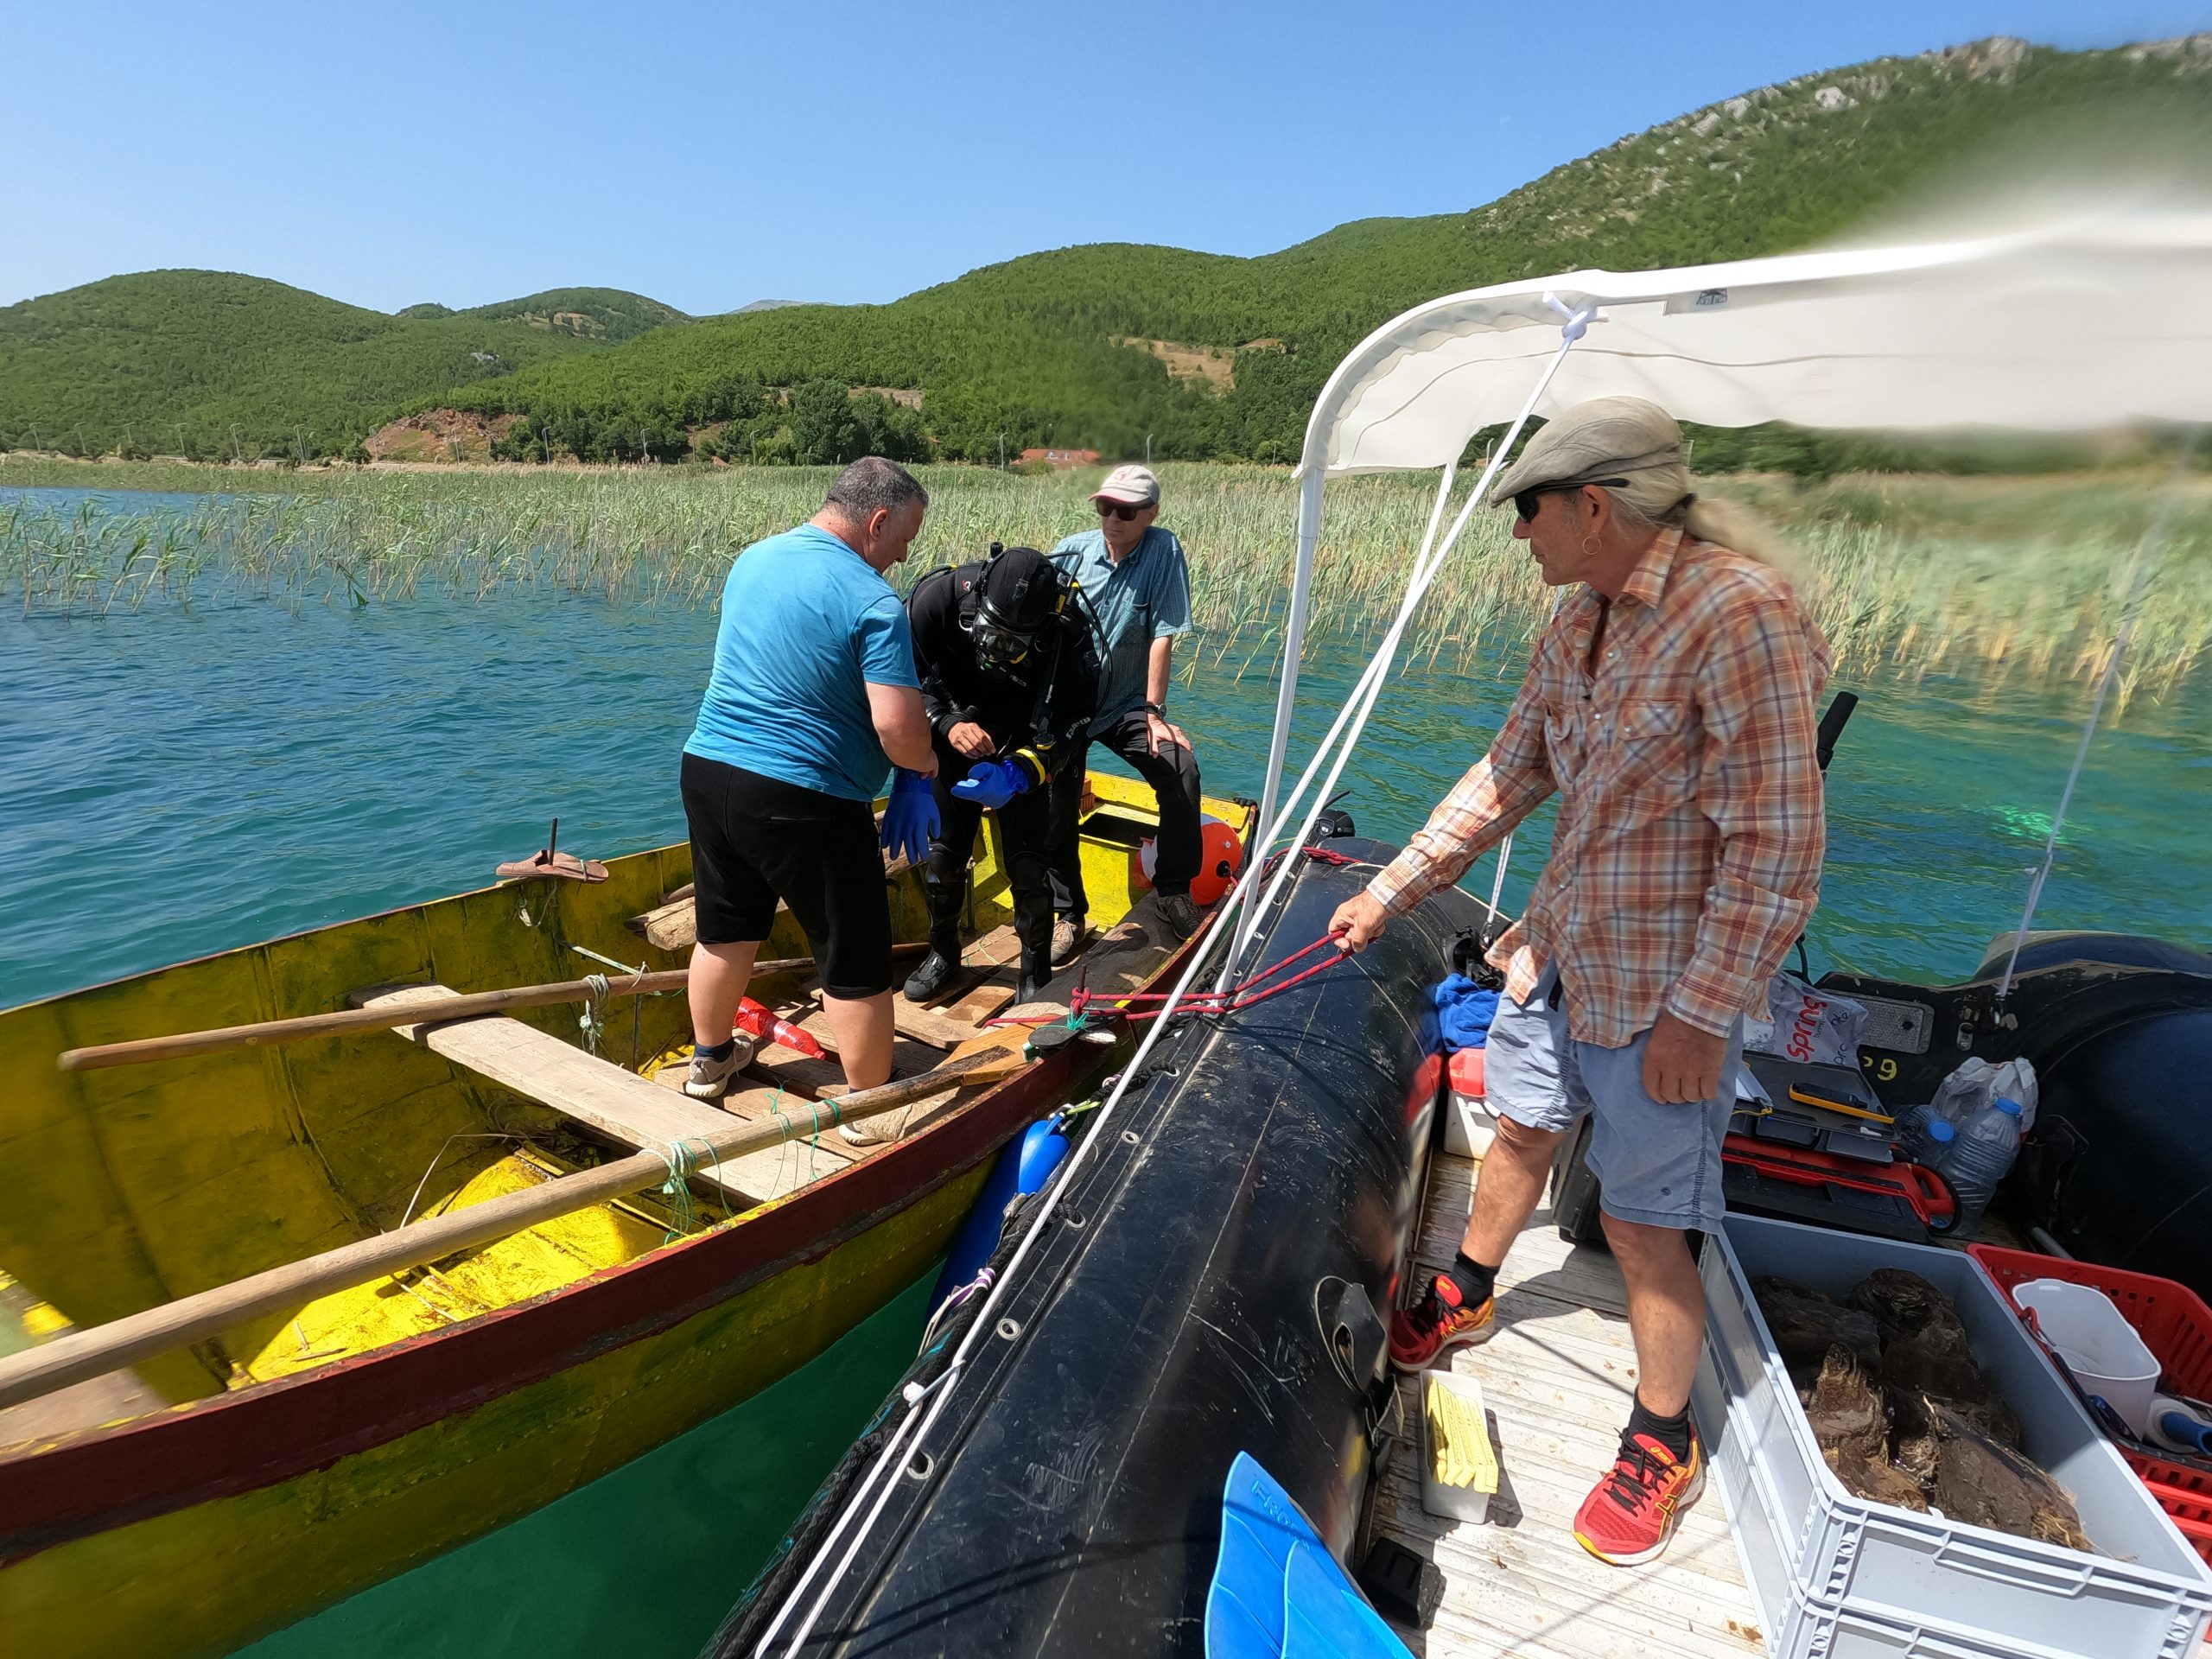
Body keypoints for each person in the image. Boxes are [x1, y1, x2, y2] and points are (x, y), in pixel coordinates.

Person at [1329, 397, 1830, 1569]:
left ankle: (1663, 1436)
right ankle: (1470, 1285)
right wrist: (1392, 889)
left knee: (1653, 1228)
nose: (1520, 534)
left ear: (1592, 504)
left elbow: (1780, 845)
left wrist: (1706, 1015)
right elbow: (1507, 777)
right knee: (1518, 1134)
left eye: (1527, 507)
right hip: (1558, 953)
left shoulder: (1738, 617)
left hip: (1668, 991)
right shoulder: (1577, 631)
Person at [677, 457, 937, 1101]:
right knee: (854, 955)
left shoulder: (755, 557)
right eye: (903, 540)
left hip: (710, 773)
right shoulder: (873, 600)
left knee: (725, 929)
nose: (902, 557)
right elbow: (898, 729)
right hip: (804, 796)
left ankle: (709, 1063)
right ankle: (873, 1097)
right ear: (876, 521)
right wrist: (924, 771)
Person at [899, 543, 1098, 1008]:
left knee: (1029, 866)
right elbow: (900, 682)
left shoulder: (1069, 632)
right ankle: (943, 955)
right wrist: (944, 725)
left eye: (1014, 644)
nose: (997, 653)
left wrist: (1025, 769)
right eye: (990, 634)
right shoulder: (939, 598)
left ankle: (1034, 972)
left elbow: (1078, 718)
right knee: (944, 858)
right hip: (952, 733)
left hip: (1021, 745)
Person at [1045, 463, 1205, 950]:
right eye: (1105, 506)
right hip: (1068, 705)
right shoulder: (1070, 554)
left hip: (1125, 705)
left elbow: (1162, 636)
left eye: (1127, 510)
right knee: (1056, 799)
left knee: (1180, 769)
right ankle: (1066, 914)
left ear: (1151, 513)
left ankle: (1174, 889)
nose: (1113, 518)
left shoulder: (1164, 550)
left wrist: (1155, 713)